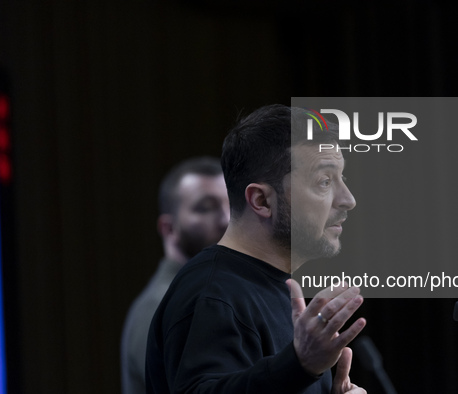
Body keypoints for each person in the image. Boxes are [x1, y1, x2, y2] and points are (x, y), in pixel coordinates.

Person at [146, 105, 367, 393]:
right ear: (261, 201)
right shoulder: (212, 293)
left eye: (342, 179)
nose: (348, 199)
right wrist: (299, 365)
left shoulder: (274, 288)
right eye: (324, 181)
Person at [121, 157, 230, 394]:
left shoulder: (203, 296)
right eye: (206, 207)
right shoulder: (163, 305)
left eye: (232, 205)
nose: (226, 220)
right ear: (168, 228)